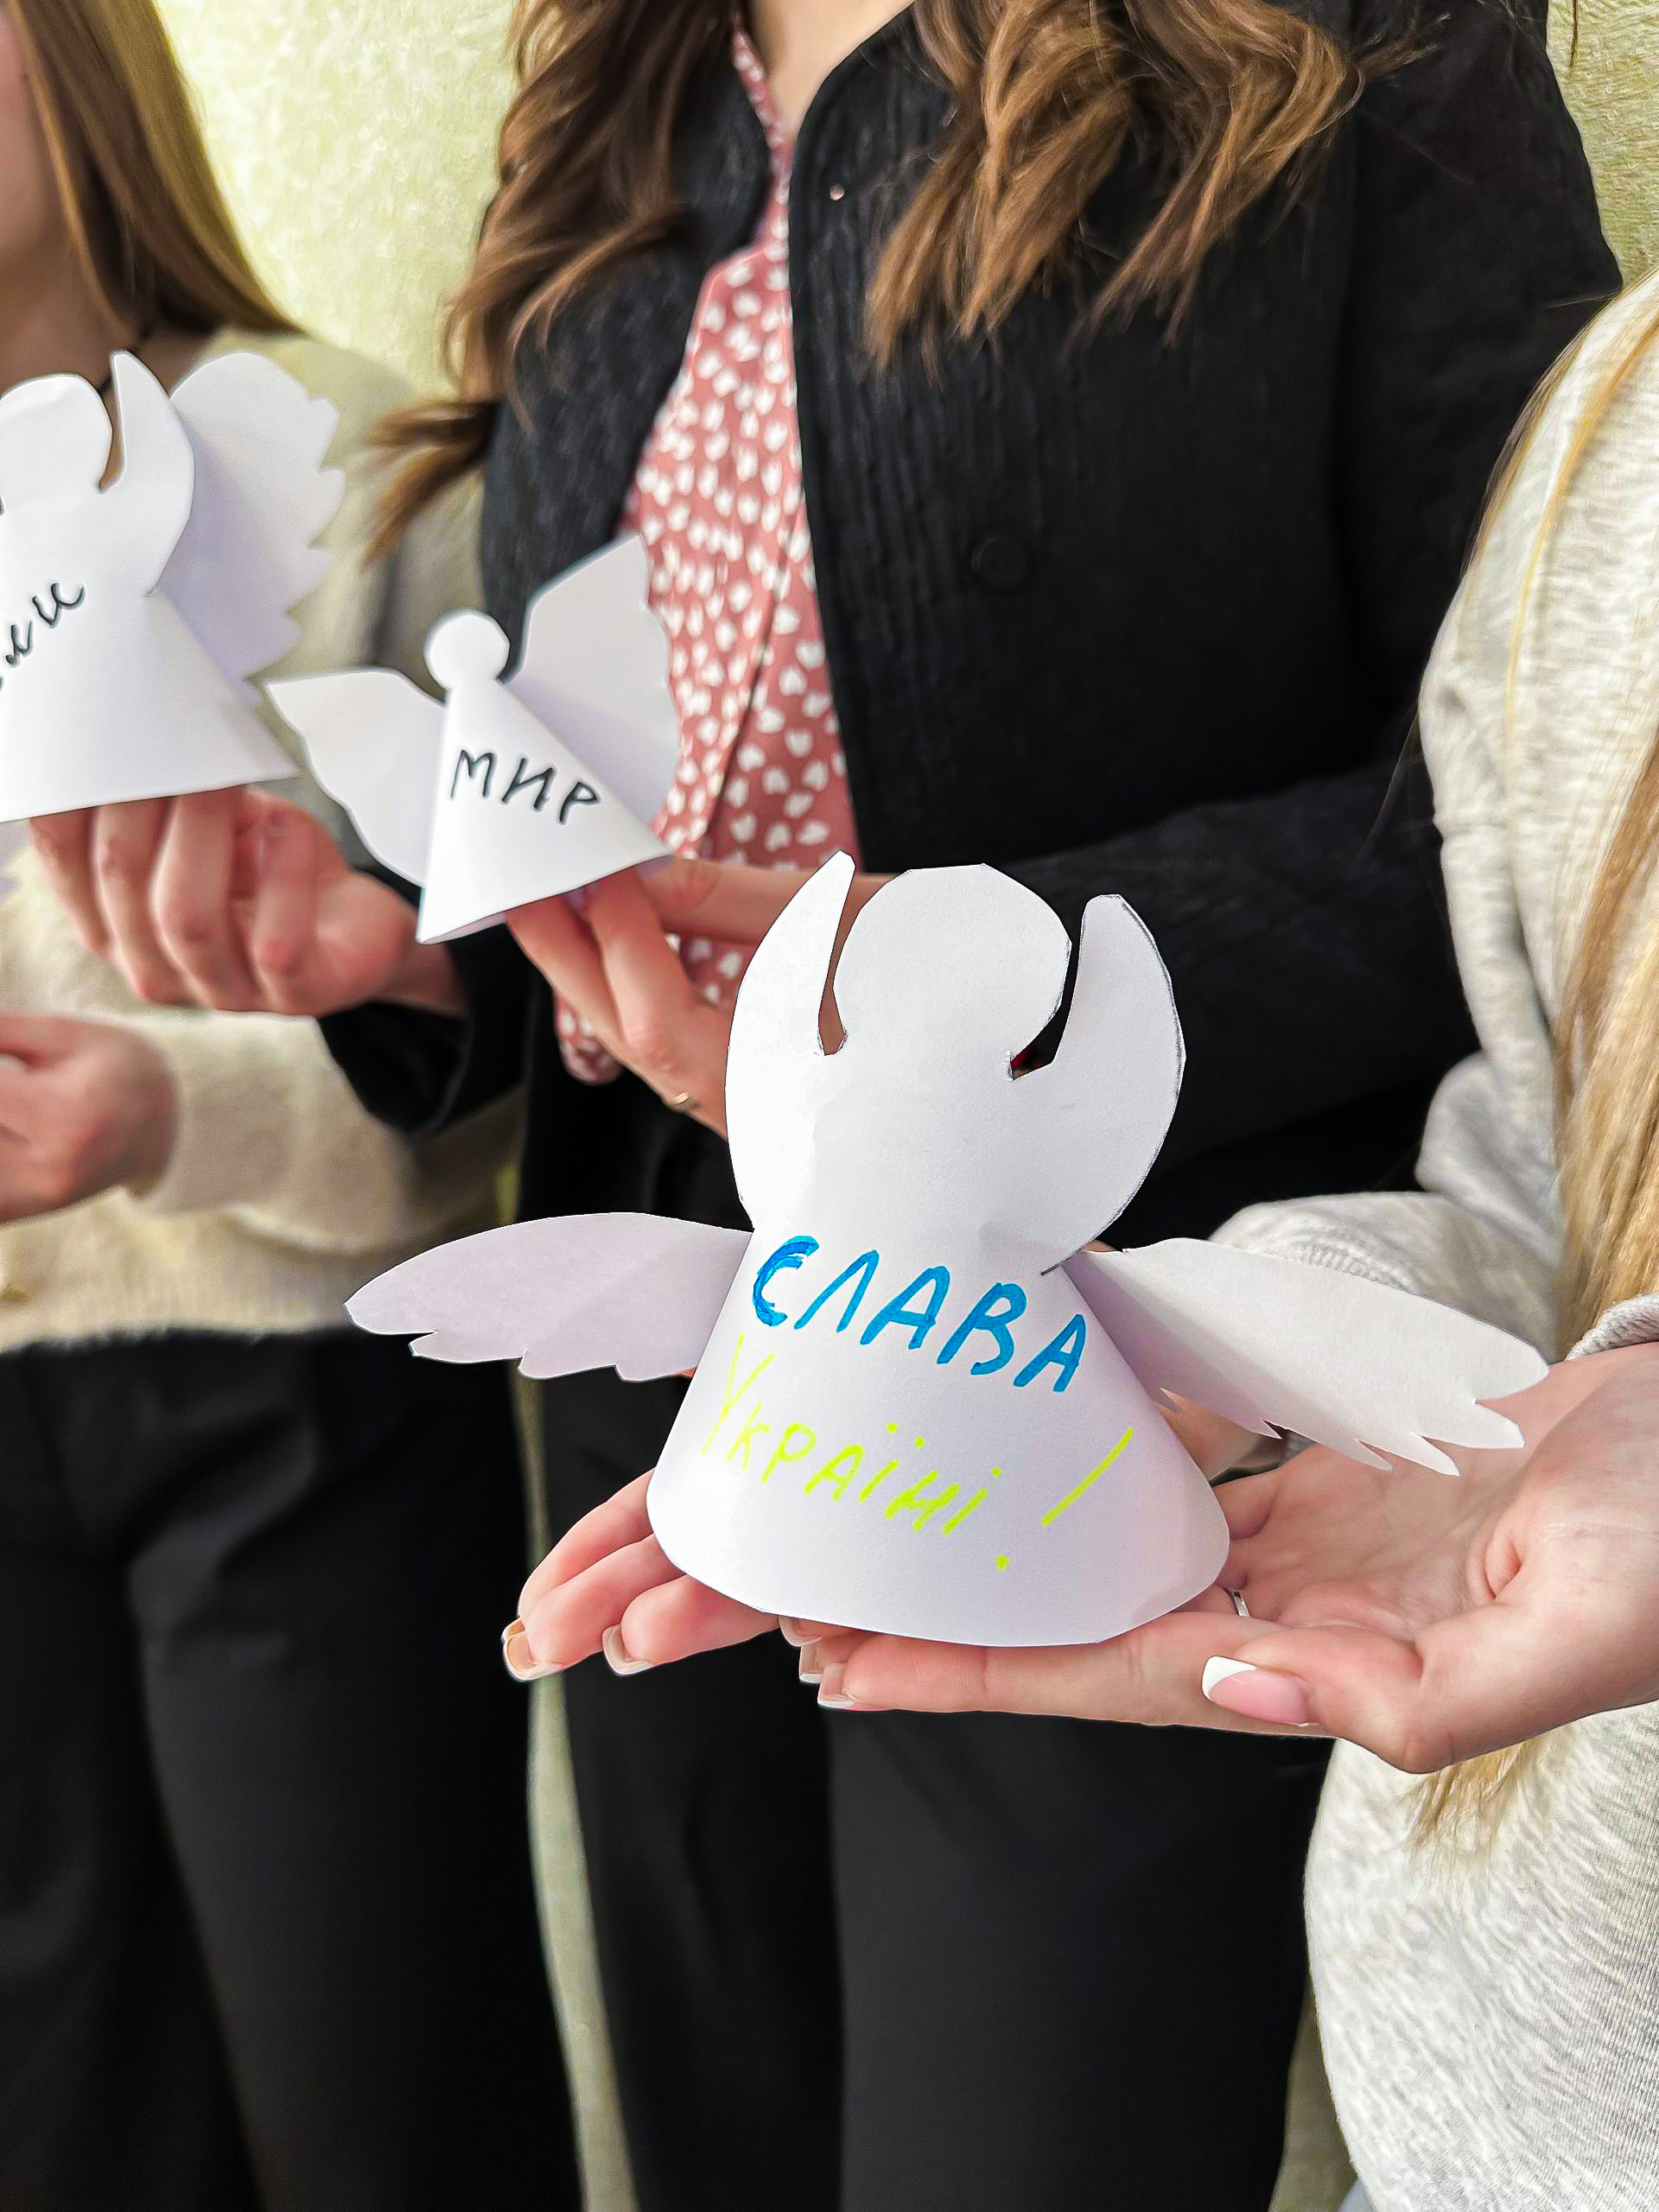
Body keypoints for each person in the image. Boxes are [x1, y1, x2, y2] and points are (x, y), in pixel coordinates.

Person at [41, 3, 1616, 2208]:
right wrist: (410, 937)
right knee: (719, 2133)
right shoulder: (617, 104)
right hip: (689, 1398)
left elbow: (1534, 806)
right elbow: (635, 854)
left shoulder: (1346, 41)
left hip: (1112, 1388)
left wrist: (962, 996)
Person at [544, 268, 1659, 2212]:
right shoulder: (1608, 448)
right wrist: (1277, 1334)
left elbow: (1375, 891)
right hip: (1466, 2071)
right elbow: (1535, 1168)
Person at [0, 7, 575, 2209]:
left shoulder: (364, 466)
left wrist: (177, 1110)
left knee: (390, 2124)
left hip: (310, 1416)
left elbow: (498, 1069)